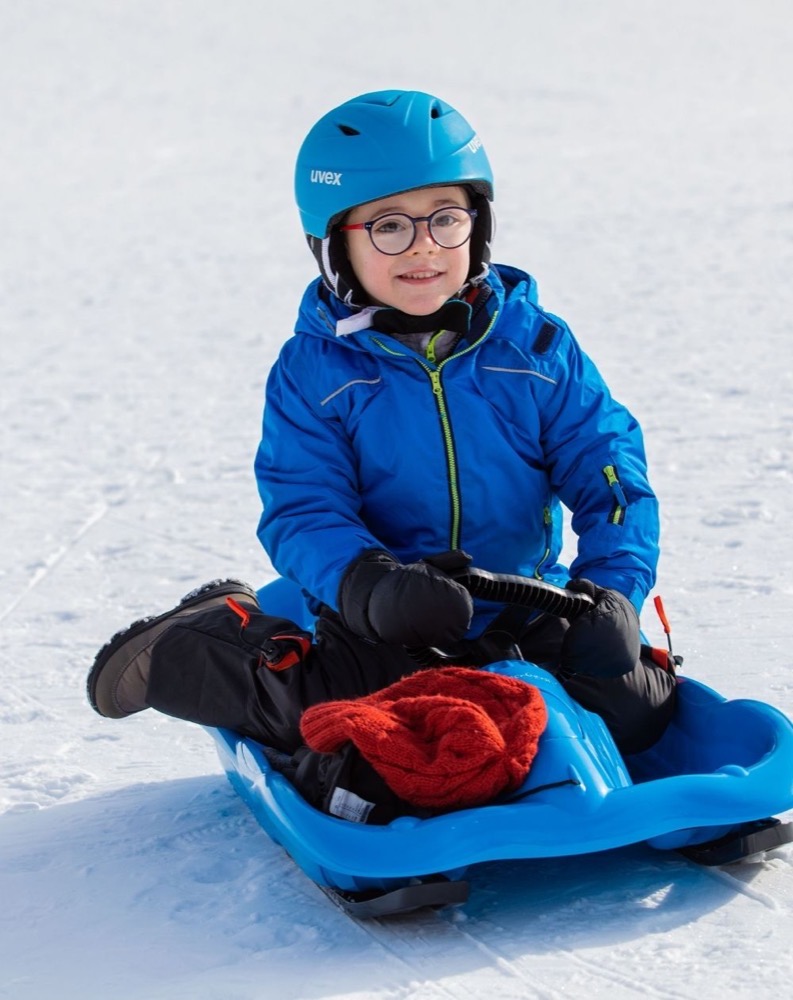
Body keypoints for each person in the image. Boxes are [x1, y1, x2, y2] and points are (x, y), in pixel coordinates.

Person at [88, 90, 677, 824]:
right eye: (390, 227)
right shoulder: (317, 372)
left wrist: (612, 589)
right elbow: (303, 508)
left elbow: (611, 473)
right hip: (383, 613)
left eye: (445, 218)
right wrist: (369, 586)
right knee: (342, 719)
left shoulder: (536, 350)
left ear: (478, 225)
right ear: (336, 244)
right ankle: (205, 642)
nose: (424, 245)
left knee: (637, 709)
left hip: (527, 600)